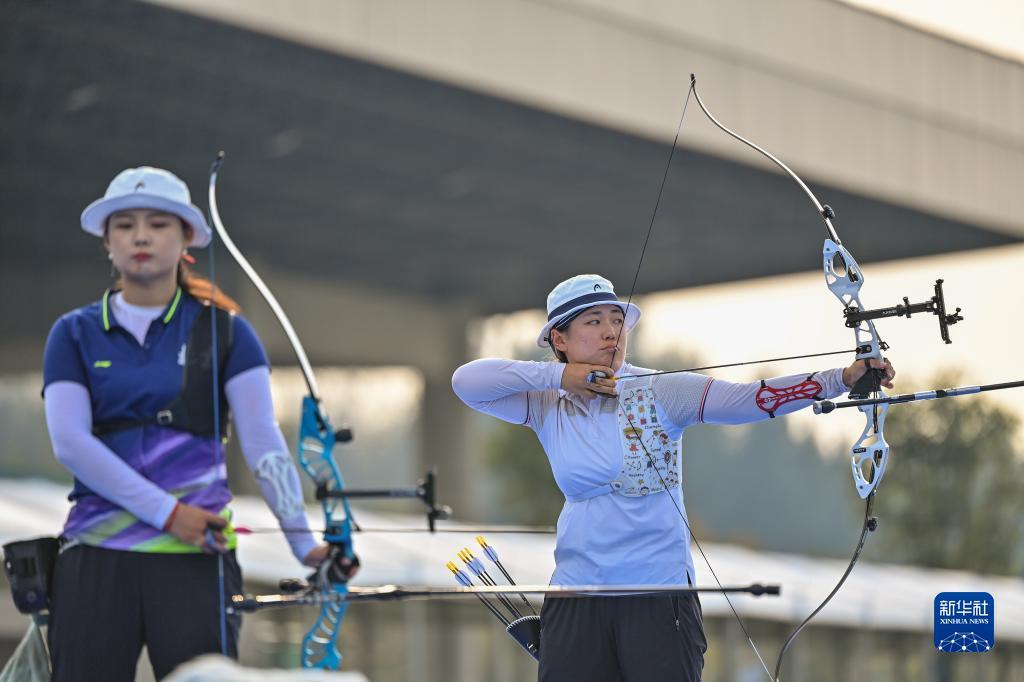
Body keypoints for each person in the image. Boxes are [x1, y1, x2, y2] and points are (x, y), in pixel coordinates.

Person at [451, 273, 894, 682]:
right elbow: (466, 381)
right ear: (559, 339)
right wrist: (562, 376)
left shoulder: (660, 390)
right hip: (575, 598)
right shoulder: (546, 401)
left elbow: (749, 400)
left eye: (617, 320)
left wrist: (840, 378)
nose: (611, 331)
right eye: (593, 321)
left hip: (657, 597)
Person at [41, 166, 333, 681]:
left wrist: (304, 544)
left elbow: (264, 444)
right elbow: (70, 442)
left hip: (196, 561)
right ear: (107, 241)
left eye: (158, 223)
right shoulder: (73, 333)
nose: (141, 236)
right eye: (125, 224)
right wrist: (170, 514)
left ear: (186, 241)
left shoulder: (228, 333)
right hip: (96, 556)